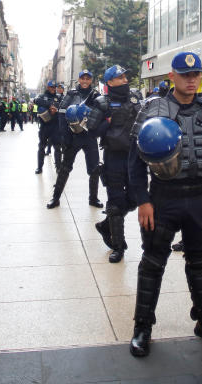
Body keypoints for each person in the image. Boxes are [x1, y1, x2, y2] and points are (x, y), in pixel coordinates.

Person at [127, 52, 202, 357]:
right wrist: (143, 201)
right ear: (172, 76)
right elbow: (134, 160)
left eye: (196, 75)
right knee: (152, 262)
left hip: (201, 197)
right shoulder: (153, 109)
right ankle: (142, 326)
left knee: (201, 261)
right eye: (185, 75)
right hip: (164, 197)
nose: (191, 80)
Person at [89, 65, 141, 262]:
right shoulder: (102, 102)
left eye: (125, 76)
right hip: (114, 157)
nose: (125, 80)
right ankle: (118, 246)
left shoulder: (135, 98)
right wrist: (108, 122)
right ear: (110, 82)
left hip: (135, 156)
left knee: (136, 197)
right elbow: (92, 131)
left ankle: (105, 225)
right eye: (120, 78)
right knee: (116, 200)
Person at [48, 70, 102, 208]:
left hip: (89, 137)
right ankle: (55, 197)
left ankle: (93, 198)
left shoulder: (96, 95)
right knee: (65, 168)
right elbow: (61, 113)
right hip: (73, 137)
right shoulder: (71, 94)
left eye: (87, 78)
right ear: (78, 79)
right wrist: (65, 136)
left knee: (94, 168)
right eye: (82, 78)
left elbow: (101, 115)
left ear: (91, 80)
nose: (85, 81)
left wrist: (97, 132)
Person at [34, 81, 63, 174]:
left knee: (57, 148)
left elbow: (62, 106)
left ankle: (58, 167)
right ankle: (39, 167)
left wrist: (55, 109)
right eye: (51, 87)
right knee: (41, 146)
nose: (53, 89)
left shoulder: (58, 97)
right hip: (45, 126)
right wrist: (49, 105)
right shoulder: (42, 96)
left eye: (54, 87)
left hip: (55, 126)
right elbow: (36, 101)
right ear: (48, 87)